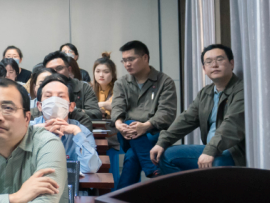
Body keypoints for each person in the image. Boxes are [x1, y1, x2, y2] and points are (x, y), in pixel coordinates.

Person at [151, 43, 244, 172]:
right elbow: (186, 119)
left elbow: (232, 124)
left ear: (232, 63)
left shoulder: (241, 89)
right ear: (204, 69)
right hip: (210, 149)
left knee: (214, 162)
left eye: (219, 59)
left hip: (233, 152)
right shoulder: (205, 93)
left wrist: (210, 150)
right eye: (209, 62)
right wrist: (162, 142)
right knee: (164, 155)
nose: (214, 65)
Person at [110, 40, 178, 188]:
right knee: (129, 124)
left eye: (131, 59)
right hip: (127, 134)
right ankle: (152, 168)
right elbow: (117, 107)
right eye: (124, 60)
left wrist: (145, 126)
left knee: (132, 157)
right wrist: (119, 125)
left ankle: (121, 198)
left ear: (145, 57)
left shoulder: (164, 82)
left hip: (154, 133)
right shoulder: (121, 83)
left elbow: (166, 113)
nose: (127, 64)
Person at [30, 73, 103, 175]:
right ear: (39, 106)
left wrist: (76, 132)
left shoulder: (81, 131)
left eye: (61, 96)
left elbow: (91, 168)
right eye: (48, 96)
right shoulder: (29, 128)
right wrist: (33, 131)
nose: (54, 101)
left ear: (71, 106)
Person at [41, 51, 102, 125]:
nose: (55, 73)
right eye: (51, 70)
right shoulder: (42, 88)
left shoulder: (83, 87)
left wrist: (69, 110)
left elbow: (96, 114)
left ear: (69, 70)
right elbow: (36, 112)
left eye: (59, 68)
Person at [89, 53, 121, 178]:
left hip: (113, 133)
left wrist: (104, 105)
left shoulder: (119, 87)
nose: (101, 75)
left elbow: (122, 108)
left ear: (113, 74)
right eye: (97, 71)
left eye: (106, 72)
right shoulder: (89, 88)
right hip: (93, 132)